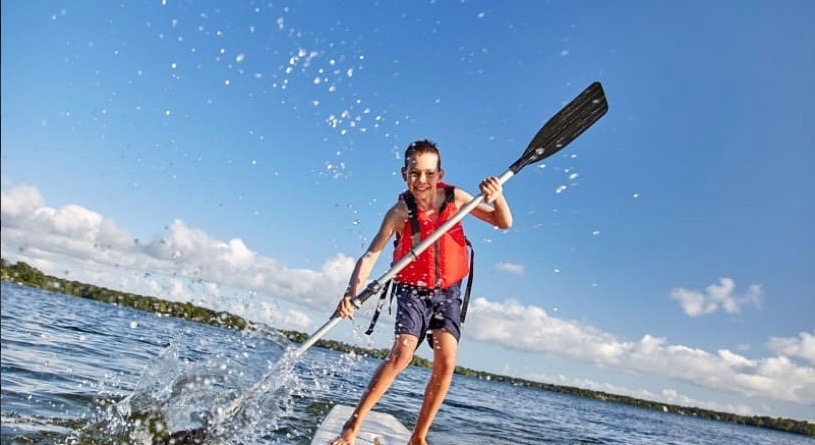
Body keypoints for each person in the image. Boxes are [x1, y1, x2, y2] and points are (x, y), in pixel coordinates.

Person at [330, 139, 512, 445]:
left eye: (429, 174)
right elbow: (371, 256)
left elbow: (502, 221)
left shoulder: (456, 198)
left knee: (447, 361)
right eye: (415, 174)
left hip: (447, 293)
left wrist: (499, 197)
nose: (422, 181)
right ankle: (353, 425)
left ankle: (419, 436)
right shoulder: (399, 212)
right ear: (405, 174)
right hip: (412, 291)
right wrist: (351, 292)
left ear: (440, 174)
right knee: (402, 354)